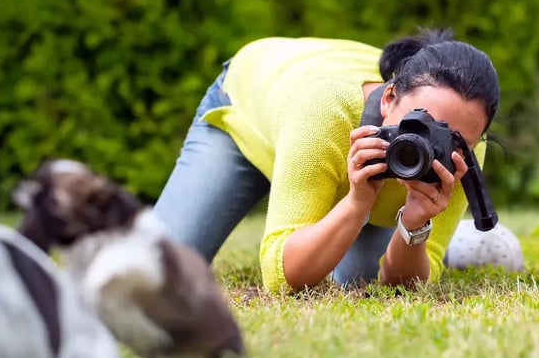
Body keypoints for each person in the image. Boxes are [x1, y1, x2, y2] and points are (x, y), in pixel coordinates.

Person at [153, 27, 501, 294]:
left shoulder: (462, 151)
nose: (432, 143)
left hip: (319, 138)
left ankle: (454, 235)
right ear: (389, 97)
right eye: (419, 121)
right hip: (255, 111)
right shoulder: (324, 111)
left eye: (453, 139)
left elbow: (405, 286)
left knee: (355, 280)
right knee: (155, 268)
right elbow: (281, 278)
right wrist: (356, 202)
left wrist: (414, 225)